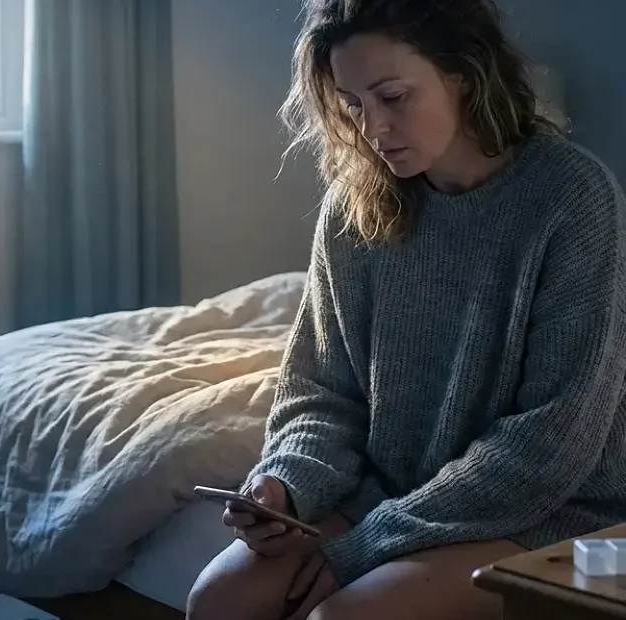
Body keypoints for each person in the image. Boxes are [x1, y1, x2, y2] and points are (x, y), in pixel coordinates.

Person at [186, 0, 626, 619]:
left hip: (549, 506)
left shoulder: (573, 199)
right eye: (354, 104)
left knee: (341, 616)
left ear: (464, 75)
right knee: (219, 600)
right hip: (393, 491)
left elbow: (550, 443)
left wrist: (369, 544)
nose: (374, 128)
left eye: (394, 97)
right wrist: (286, 486)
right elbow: (322, 391)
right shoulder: (354, 205)